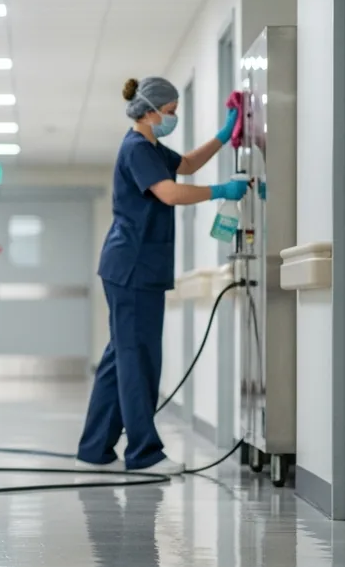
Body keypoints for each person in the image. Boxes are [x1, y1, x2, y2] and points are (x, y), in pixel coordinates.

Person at [76, 76, 246, 475]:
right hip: (132, 269)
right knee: (138, 360)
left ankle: (96, 447)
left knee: (122, 357)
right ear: (149, 111)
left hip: (134, 268)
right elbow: (169, 192)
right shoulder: (136, 148)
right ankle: (143, 454)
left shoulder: (149, 146)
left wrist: (225, 133)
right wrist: (221, 190)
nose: (173, 118)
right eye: (169, 112)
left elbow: (185, 165)